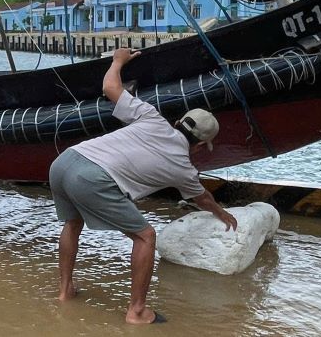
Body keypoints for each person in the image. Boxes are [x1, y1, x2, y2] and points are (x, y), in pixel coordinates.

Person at [49, 47, 238, 325]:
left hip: (64, 161)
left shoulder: (151, 117)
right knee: (146, 236)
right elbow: (204, 199)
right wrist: (222, 215)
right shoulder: (183, 168)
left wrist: (118, 61)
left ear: (177, 122)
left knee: (72, 223)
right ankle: (137, 311)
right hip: (90, 177)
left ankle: (65, 291)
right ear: (199, 146)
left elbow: (110, 86)